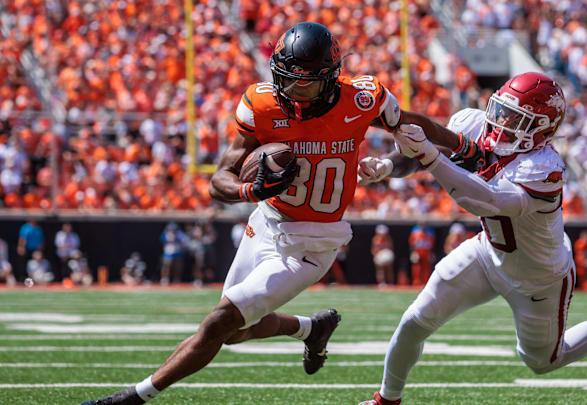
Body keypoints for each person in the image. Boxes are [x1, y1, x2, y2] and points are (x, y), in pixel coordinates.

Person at [81, 21, 458, 405]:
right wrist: (250, 190)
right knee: (231, 331)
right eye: (286, 78)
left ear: (329, 79)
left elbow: (412, 125)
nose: (293, 89)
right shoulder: (262, 105)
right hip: (265, 223)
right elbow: (220, 180)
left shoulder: (361, 98)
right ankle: (310, 329)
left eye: (305, 82)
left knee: (219, 322)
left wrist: (460, 143)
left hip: (312, 243)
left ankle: (131, 398)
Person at [357, 72, 587, 404]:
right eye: (501, 110)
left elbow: (486, 200)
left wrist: (429, 157)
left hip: (538, 278)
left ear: (542, 129)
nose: (501, 122)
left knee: (544, 361)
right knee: (415, 320)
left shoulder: (545, 168)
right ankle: (387, 400)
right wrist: (388, 165)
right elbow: (426, 147)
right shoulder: (476, 125)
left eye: (516, 118)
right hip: (489, 253)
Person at [408, 221, 435, 286]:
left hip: (426, 251)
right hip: (418, 251)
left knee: (426, 267)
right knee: (417, 267)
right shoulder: (415, 233)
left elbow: (432, 244)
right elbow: (411, 244)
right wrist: (413, 252)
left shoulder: (430, 234)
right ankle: (416, 282)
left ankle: (425, 282)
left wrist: (431, 253)